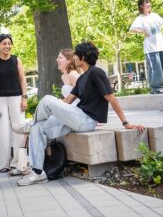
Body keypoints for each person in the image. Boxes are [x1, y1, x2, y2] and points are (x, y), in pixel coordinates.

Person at [15, 42, 145, 186]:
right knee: (38, 127)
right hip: (76, 118)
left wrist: (126, 123)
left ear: (82, 57)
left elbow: (111, 98)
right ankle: (38, 173)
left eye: (76, 55)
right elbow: (67, 101)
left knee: (46, 100)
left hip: (87, 120)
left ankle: (29, 124)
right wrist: (55, 109)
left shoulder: (97, 73)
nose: (74, 58)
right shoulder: (83, 78)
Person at [0, 33, 29, 173]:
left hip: (16, 97)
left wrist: (24, 98)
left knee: (19, 129)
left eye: (9, 43)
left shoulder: (16, 60)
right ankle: (4, 164)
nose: (7, 46)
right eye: (4, 43)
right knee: (2, 131)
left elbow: (23, 80)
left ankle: (18, 163)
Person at [129, 0, 163, 94]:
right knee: (156, 68)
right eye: (146, 3)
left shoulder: (154, 15)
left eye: (149, 2)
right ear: (141, 6)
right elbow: (132, 29)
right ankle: (156, 88)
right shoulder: (140, 18)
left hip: (161, 45)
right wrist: (143, 31)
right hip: (151, 48)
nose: (149, 4)